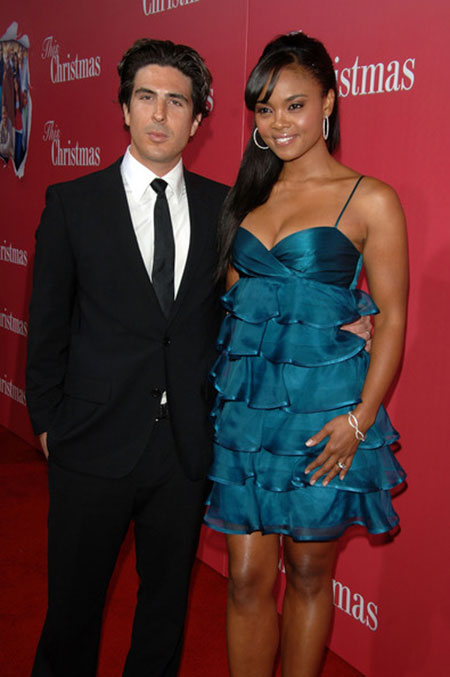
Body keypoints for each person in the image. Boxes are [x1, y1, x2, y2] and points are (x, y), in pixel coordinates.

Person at [204, 32, 408, 677]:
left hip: (326, 416)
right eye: (265, 109)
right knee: (245, 578)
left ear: (328, 103)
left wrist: (360, 421)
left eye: (294, 105)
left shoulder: (371, 198)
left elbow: (394, 318)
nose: (279, 122)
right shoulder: (246, 198)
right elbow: (238, 310)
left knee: (310, 570)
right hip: (250, 417)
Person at [26, 38, 228, 677]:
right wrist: (49, 423)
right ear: (124, 109)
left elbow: (256, 302)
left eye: (177, 101)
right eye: (146, 97)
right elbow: (46, 326)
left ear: (198, 120)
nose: (160, 114)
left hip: (183, 449)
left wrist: (346, 320)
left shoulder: (226, 209)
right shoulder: (73, 204)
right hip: (91, 441)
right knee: (72, 613)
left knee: (164, 614)